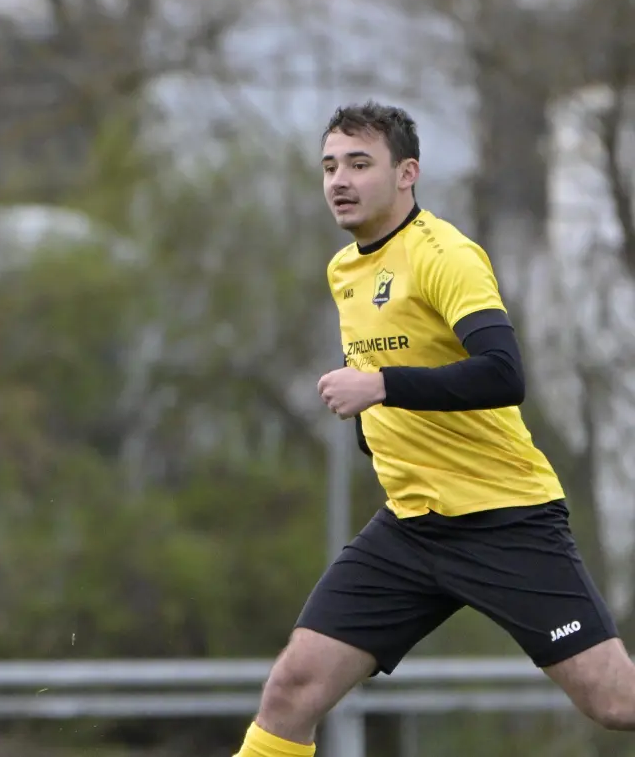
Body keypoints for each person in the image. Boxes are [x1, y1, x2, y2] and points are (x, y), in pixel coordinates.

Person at [235, 101, 635, 757]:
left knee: (614, 701)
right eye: (330, 165)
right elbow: (394, 368)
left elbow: (503, 374)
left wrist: (383, 385)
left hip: (505, 518)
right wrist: (376, 417)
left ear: (407, 174)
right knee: (292, 688)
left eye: (360, 164)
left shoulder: (447, 256)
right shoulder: (345, 270)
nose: (340, 179)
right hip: (411, 527)